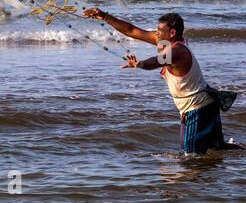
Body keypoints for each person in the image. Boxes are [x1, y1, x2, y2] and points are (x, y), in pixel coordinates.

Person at [82, 8, 233, 154]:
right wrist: (104, 16)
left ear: (172, 33)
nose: (156, 34)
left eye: (159, 31)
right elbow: (131, 30)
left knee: (191, 157)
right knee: (217, 149)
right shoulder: (167, 43)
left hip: (197, 108)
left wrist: (139, 64)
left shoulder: (178, 51)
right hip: (204, 104)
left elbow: (157, 61)